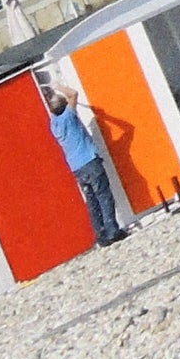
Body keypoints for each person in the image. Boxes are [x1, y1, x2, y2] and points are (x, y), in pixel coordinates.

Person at [41, 78, 125, 246]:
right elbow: (73, 94)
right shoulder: (68, 117)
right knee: (104, 195)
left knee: (92, 201)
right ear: (64, 106)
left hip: (77, 167)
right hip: (89, 161)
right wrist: (57, 86)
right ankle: (113, 231)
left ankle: (101, 236)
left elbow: (54, 106)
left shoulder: (54, 124)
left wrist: (49, 92)